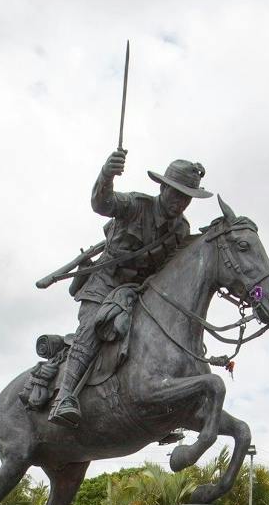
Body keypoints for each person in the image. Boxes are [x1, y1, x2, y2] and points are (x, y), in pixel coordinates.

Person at [44, 150, 212, 427]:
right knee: (91, 330)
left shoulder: (181, 229)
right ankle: (64, 397)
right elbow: (103, 203)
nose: (180, 203)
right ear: (163, 187)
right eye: (177, 194)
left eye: (187, 198)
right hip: (104, 285)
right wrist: (107, 175)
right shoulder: (136, 205)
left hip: (135, 294)